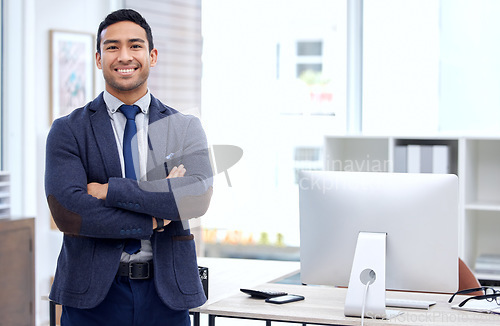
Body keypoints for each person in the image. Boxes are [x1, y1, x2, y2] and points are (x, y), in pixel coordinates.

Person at [45, 9, 213, 325]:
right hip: (93, 298)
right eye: (112, 47)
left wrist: (109, 190)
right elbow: (70, 212)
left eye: (135, 46)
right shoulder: (68, 130)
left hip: (167, 294)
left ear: (152, 55)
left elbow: (197, 197)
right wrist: (156, 216)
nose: (125, 56)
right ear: (98, 58)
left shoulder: (184, 127)